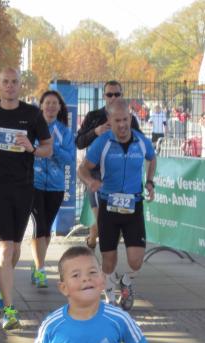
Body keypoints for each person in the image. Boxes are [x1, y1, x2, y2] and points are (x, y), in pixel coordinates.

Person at [0, 67, 52, 331]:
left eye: (14, 82)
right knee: (5, 248)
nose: (10, 86)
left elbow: (48, 147)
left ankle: (1, 289)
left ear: (20, 85)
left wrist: (33, 149)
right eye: (5, 82)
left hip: (24, 187)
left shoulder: (32, 114)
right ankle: (9, 309)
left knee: (15, 250)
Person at [77, 100, 156, 311]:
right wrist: (90, 181)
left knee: (136, 261)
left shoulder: (141, 141)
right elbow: (82, 169)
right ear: (109, 121)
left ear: (130, 118)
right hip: (108, 206)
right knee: (108, 261)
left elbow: (152, 158)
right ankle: (110, 297)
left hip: (133, 205)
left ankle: (126, 282)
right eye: (117, 120)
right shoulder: (102, 143)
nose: (122, 125)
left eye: (125, 119)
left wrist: (150, 182)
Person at [76, 81, 141, 250]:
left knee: (114, 222)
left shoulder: (129, 119)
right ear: (104, 96)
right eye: (109, 94)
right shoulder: (93, 116)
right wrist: (96, 132)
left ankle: (100, 246)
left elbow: (140, 143)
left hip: (119, 176)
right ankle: (94, 242)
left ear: (122, 95)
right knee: (102, 219)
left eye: (117, 94)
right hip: (96, 174)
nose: (113, 98)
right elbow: (79, 142)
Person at [30, 90, 75, 288]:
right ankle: (41, 269)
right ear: (41, 106)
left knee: (46, 229)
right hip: (34, 184)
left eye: (54, 103)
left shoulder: (64, 132)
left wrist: (52, 147)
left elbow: (69, 159)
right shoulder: (32, 128)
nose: (50, 106)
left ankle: (36, 263)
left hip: (56, 186)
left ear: (59, 107)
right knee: (39, 226)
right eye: (47, 102)